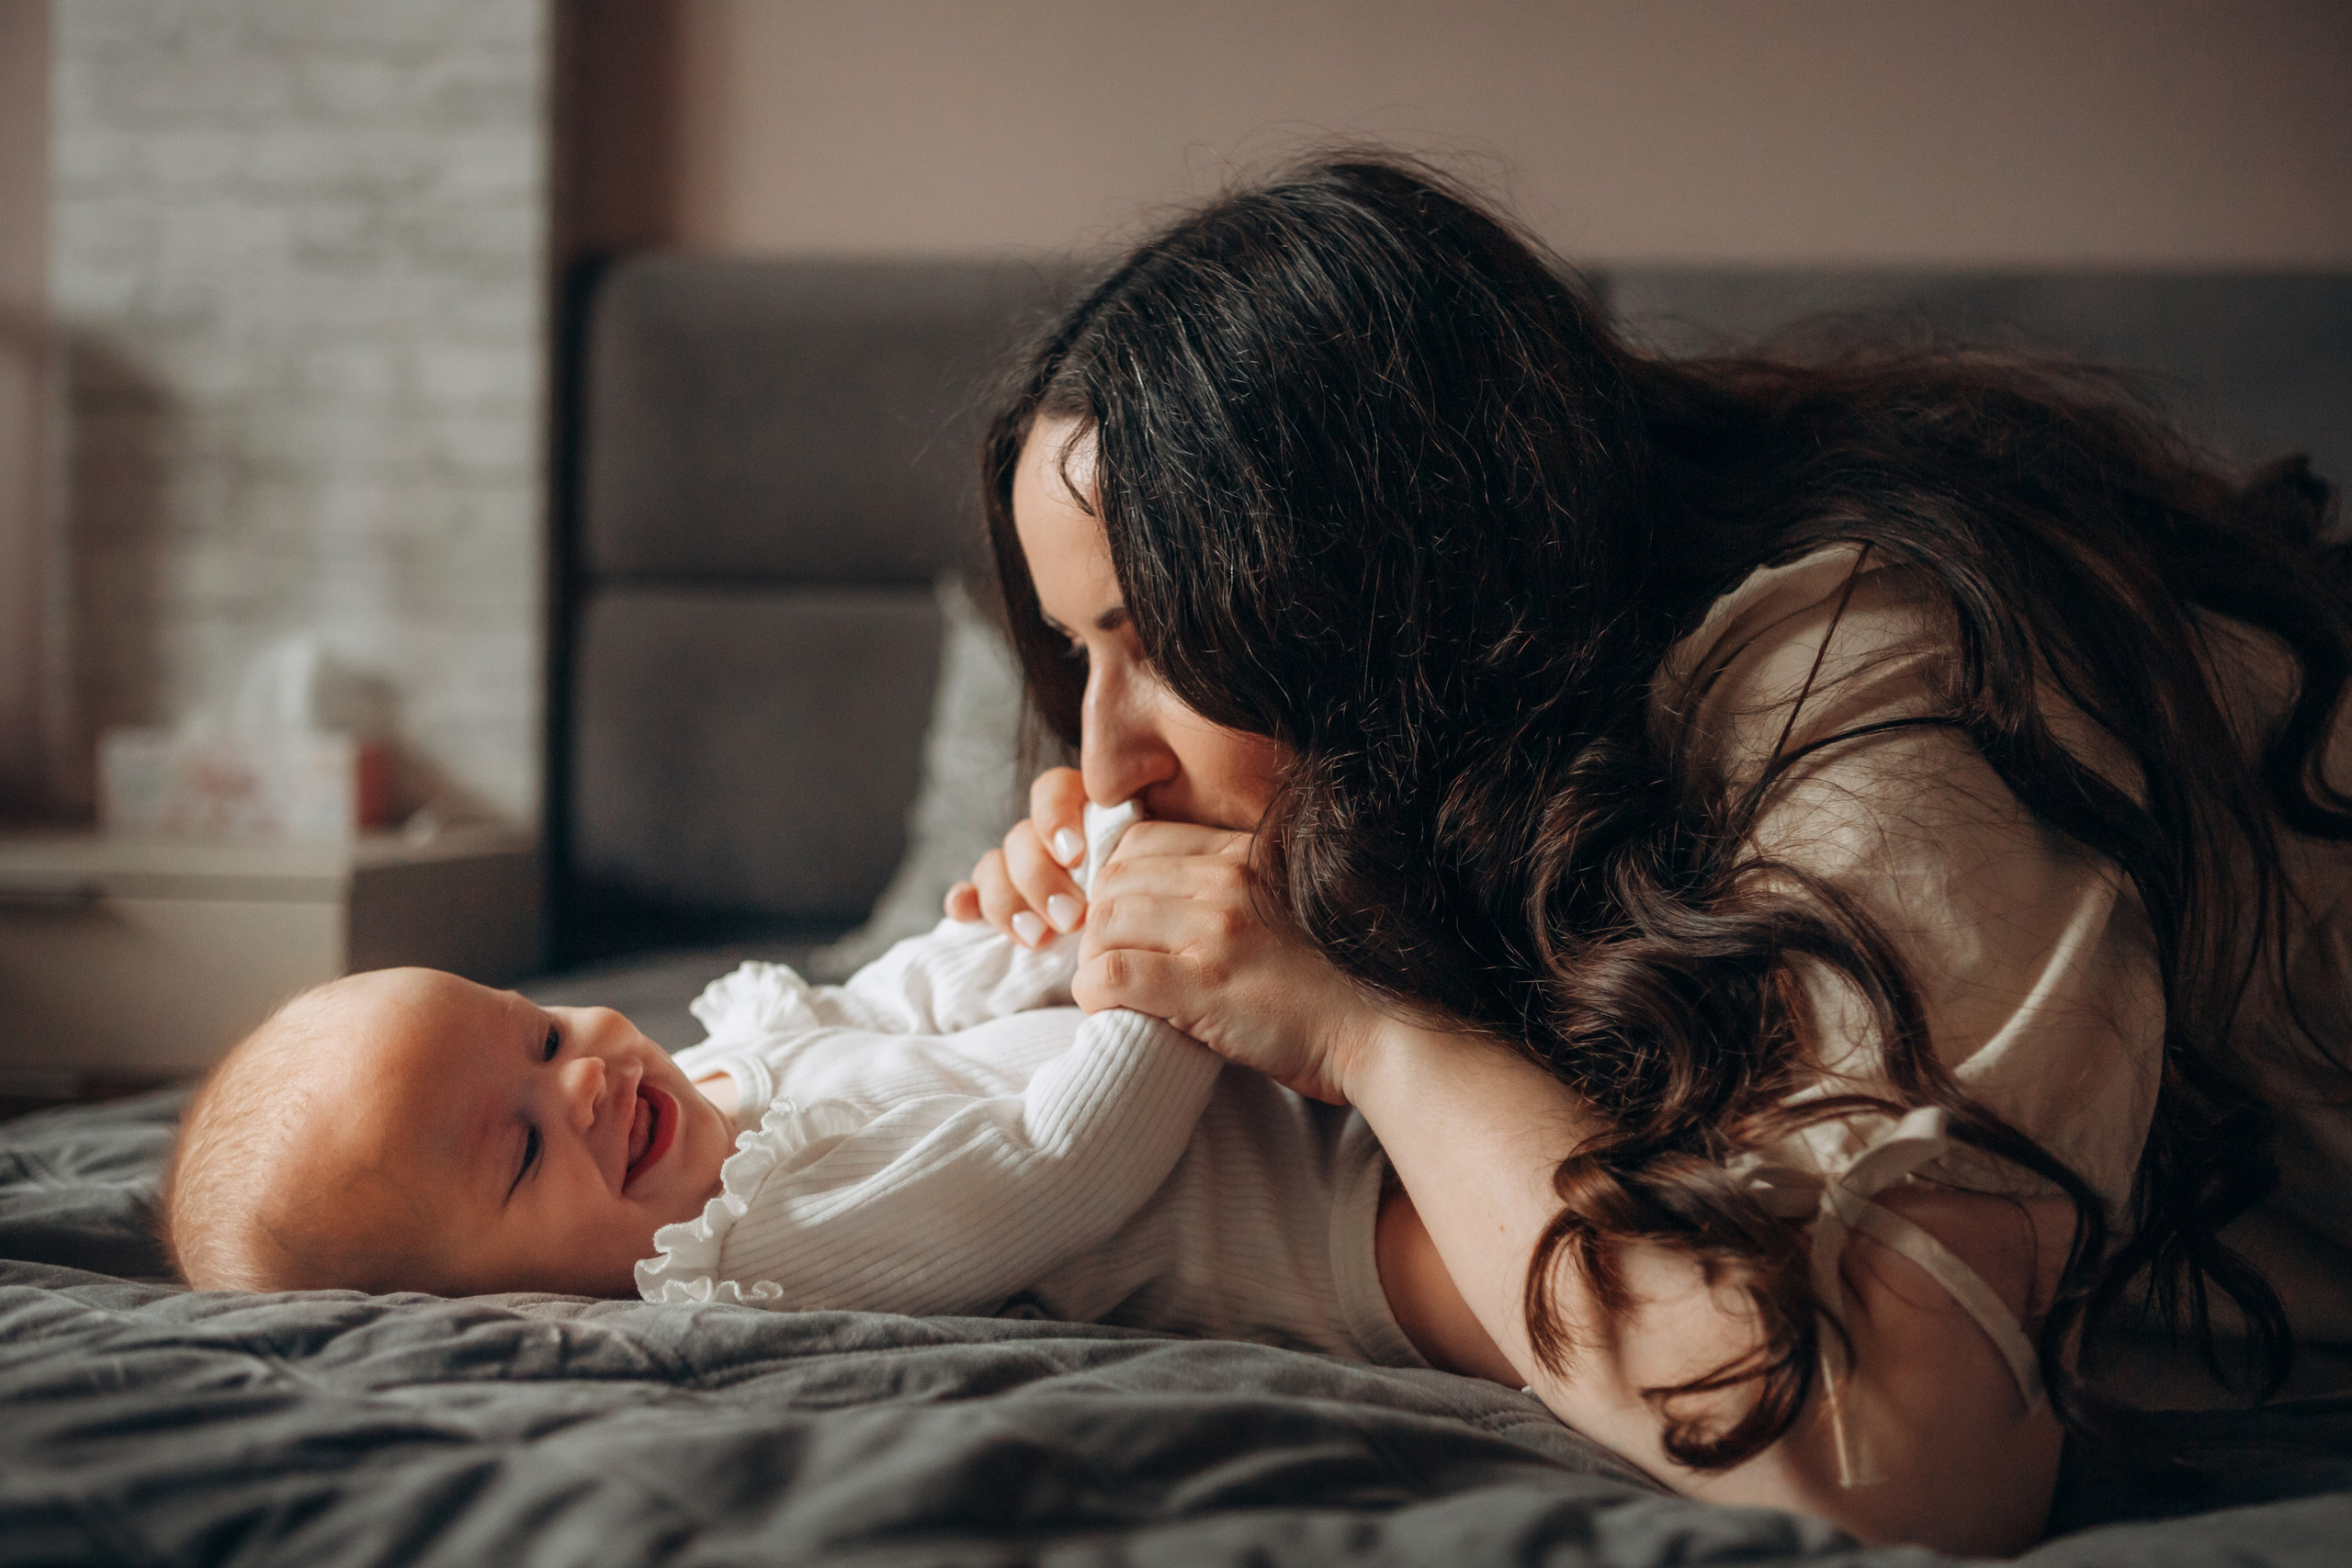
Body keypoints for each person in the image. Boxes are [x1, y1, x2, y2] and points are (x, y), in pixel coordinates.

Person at [945, 154, 2352, 1551]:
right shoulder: (1518, 792)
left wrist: (1366, 1038)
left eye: (1169, 644)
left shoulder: (1874, 670)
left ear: (1387, 592)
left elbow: (1890, 1451)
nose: (1105, 762)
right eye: (1078, 655)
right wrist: (1055, 1002)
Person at [159, 799, 1511, 1387]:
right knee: (1542, 1265)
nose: (580, 1082)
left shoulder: (715, 1075)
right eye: (516, 1156)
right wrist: (1159, 982)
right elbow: (1061, 1169)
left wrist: (1062, 901)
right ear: (490, 1307)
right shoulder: (758, 1253)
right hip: (1331, 1231)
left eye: (537, 1033)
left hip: (1288, 1067)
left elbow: (894, 996)